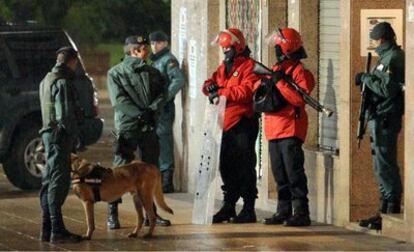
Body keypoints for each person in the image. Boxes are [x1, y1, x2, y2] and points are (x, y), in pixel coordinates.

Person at [106, 35, 171, 229]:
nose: (148, 50)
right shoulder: (116, 73)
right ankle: (112, 213)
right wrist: (139, 114)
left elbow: (162, 93)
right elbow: (118, 100)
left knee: (150, 169)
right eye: (143, 47)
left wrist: (152, 111)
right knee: (119, 169)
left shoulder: (152, 71)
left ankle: (151, 214)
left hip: (148, 126)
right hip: (128, 126)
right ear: (134, 50)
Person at [202, 28, 260, 224]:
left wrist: (222, 92)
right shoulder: (224, 67)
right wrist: (209, 87)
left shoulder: (249, 66)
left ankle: (249, 207)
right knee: (226, 166)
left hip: (243, 122)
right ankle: (229, 206)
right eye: (223, 48)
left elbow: (245, 91)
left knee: (244, 165)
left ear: (238, 47)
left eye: (227, 48)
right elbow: (211, 83)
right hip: (224, 124)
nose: (225, 51)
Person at [261, 28, 315, 227]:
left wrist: (281, 83)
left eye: (278, 45)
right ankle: (283, 210)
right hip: (274, 128)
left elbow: (299, 99)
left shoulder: (301, 72)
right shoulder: (277, 68)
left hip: (290, 128)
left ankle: (301, 212)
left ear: (287, 47)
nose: (276, 49)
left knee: (294, 173)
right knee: (279, 173)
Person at [355, 22, 404, 230]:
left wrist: (366, 78)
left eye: (374, 39)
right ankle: (383, 208)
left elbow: (387, 89)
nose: (373, 43)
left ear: (382, 39)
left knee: (385, 163)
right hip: (378, 115)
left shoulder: (393, 58)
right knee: (379, 165)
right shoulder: (385, 57)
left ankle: (391, 207)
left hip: (386, 116)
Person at [39, 46, 83, 243]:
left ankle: (46, 228)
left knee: (48, 180)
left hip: (49, 135)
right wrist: (75, 137)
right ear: (71, 62)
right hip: (60, 137)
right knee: (58, 181)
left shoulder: (46, 80)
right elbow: (65, 115)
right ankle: (56, 229)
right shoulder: (63, 82)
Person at [149, 30, 185, 193]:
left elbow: (178, 80)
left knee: (164, 141)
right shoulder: (155, 61)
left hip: (164, 109)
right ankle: (159, 178)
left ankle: (167, 180)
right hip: (155, 108)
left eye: (157, 42)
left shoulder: (168, 60)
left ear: (165, 43)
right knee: (155, 141)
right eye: (152, 43)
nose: (154, 46)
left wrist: (165, 98)